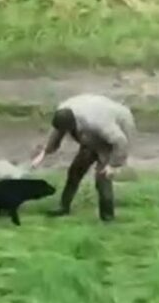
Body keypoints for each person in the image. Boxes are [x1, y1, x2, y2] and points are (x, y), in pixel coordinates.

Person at [31, 93, 135, 222]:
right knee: (75, 171)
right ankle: (63, 207)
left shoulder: (98, 124)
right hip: (90, 133)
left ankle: (107, 218)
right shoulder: (63, 112)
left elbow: (120, 141)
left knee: (102, 177)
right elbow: (57, 132)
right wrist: (44, 153)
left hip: (118, 127)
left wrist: (113, 165)